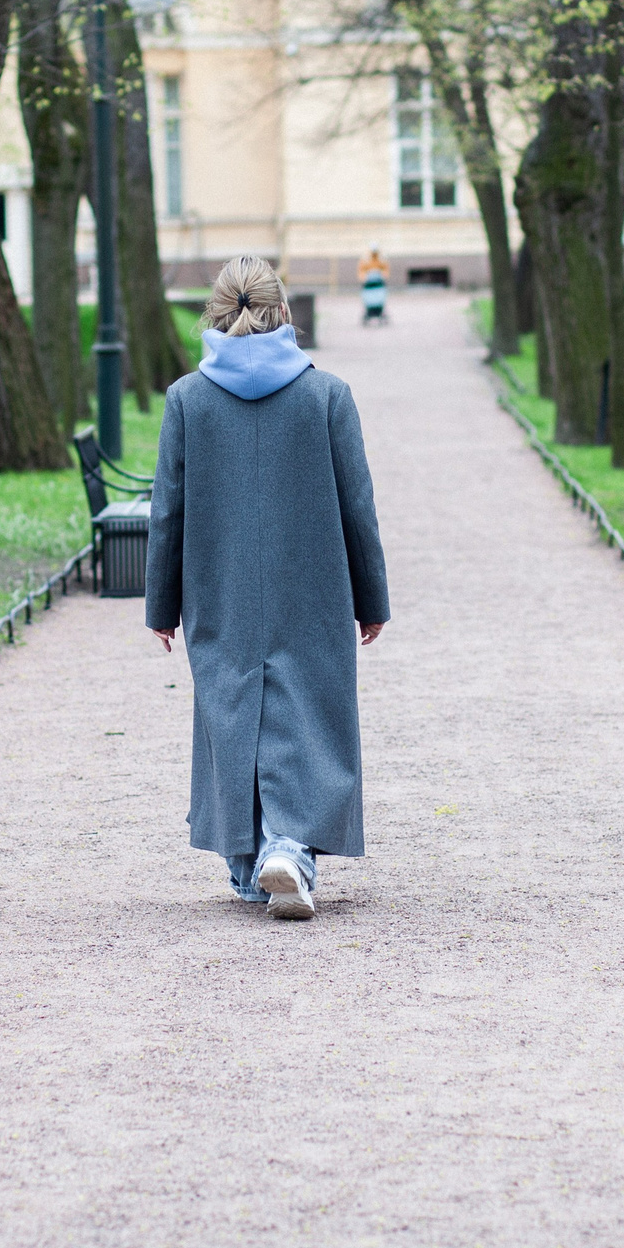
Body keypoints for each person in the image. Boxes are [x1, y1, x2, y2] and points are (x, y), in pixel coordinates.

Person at [145, 255, 390, 921]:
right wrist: (371, 599)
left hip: (218, 585)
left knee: (231, 708)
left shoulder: (187, 399)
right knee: (307, 707)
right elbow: (355, 506)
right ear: (286, 312)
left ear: (216, 313)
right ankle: (289, 843)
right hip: (313, 586)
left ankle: (249, 857)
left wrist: (161, 606)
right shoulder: (327, 395)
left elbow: (168, 508)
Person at [357, 245, 389, 325]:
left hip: (378, 284)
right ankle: (369, 311)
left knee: (379, 297)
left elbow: (386, 271)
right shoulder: (366, 261)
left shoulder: (381, 260)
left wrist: (383, 275)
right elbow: (361, 272)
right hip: (369, 284)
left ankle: (379, 311)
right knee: (369, 298)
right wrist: (364, 277)